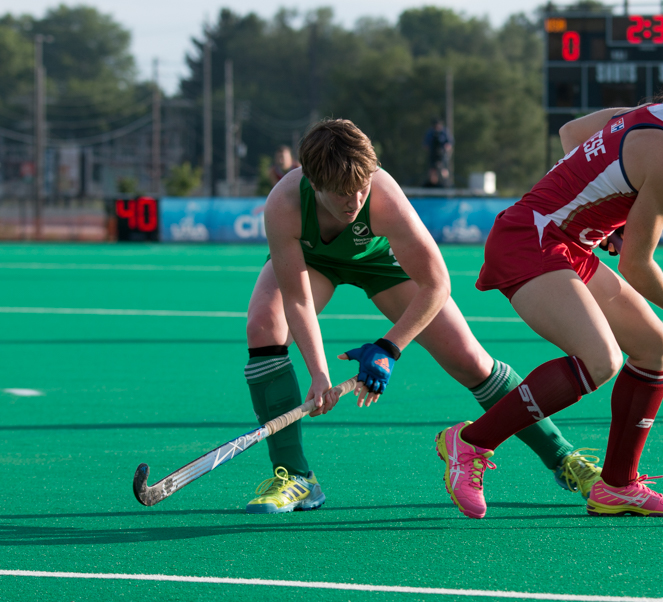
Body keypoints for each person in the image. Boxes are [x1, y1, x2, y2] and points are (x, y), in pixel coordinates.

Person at [435, 26, 663, 519]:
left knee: (655, 347)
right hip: (532, 240)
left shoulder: (649, 112)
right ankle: (469, 443)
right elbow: (635, 264)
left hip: (565, 242)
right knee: (601, 358)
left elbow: (572, 135)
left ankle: (617, 485)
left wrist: (596, 217)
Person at [243, 119, 601, 514]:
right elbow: (297, 299)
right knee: (263, 325)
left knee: (469, 359)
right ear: (313, 182)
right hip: (313, 263)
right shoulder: (284, 203)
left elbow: (437, 283)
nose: (355, 200)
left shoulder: (382, 196)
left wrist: (389, 348)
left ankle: (565, 458)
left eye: (362, 187)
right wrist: (319, 373)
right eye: (343, 193)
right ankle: (294, 476)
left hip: (381, 263)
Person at [423, 119, 453, 185]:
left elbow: (450, 143)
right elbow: (426, 145)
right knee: (432, 170)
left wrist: (446, 150)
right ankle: (433, 184)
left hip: (442, 154)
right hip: (433, 154)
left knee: (444, 170)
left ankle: (445, 183)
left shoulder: (444, 132)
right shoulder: (430, 132)